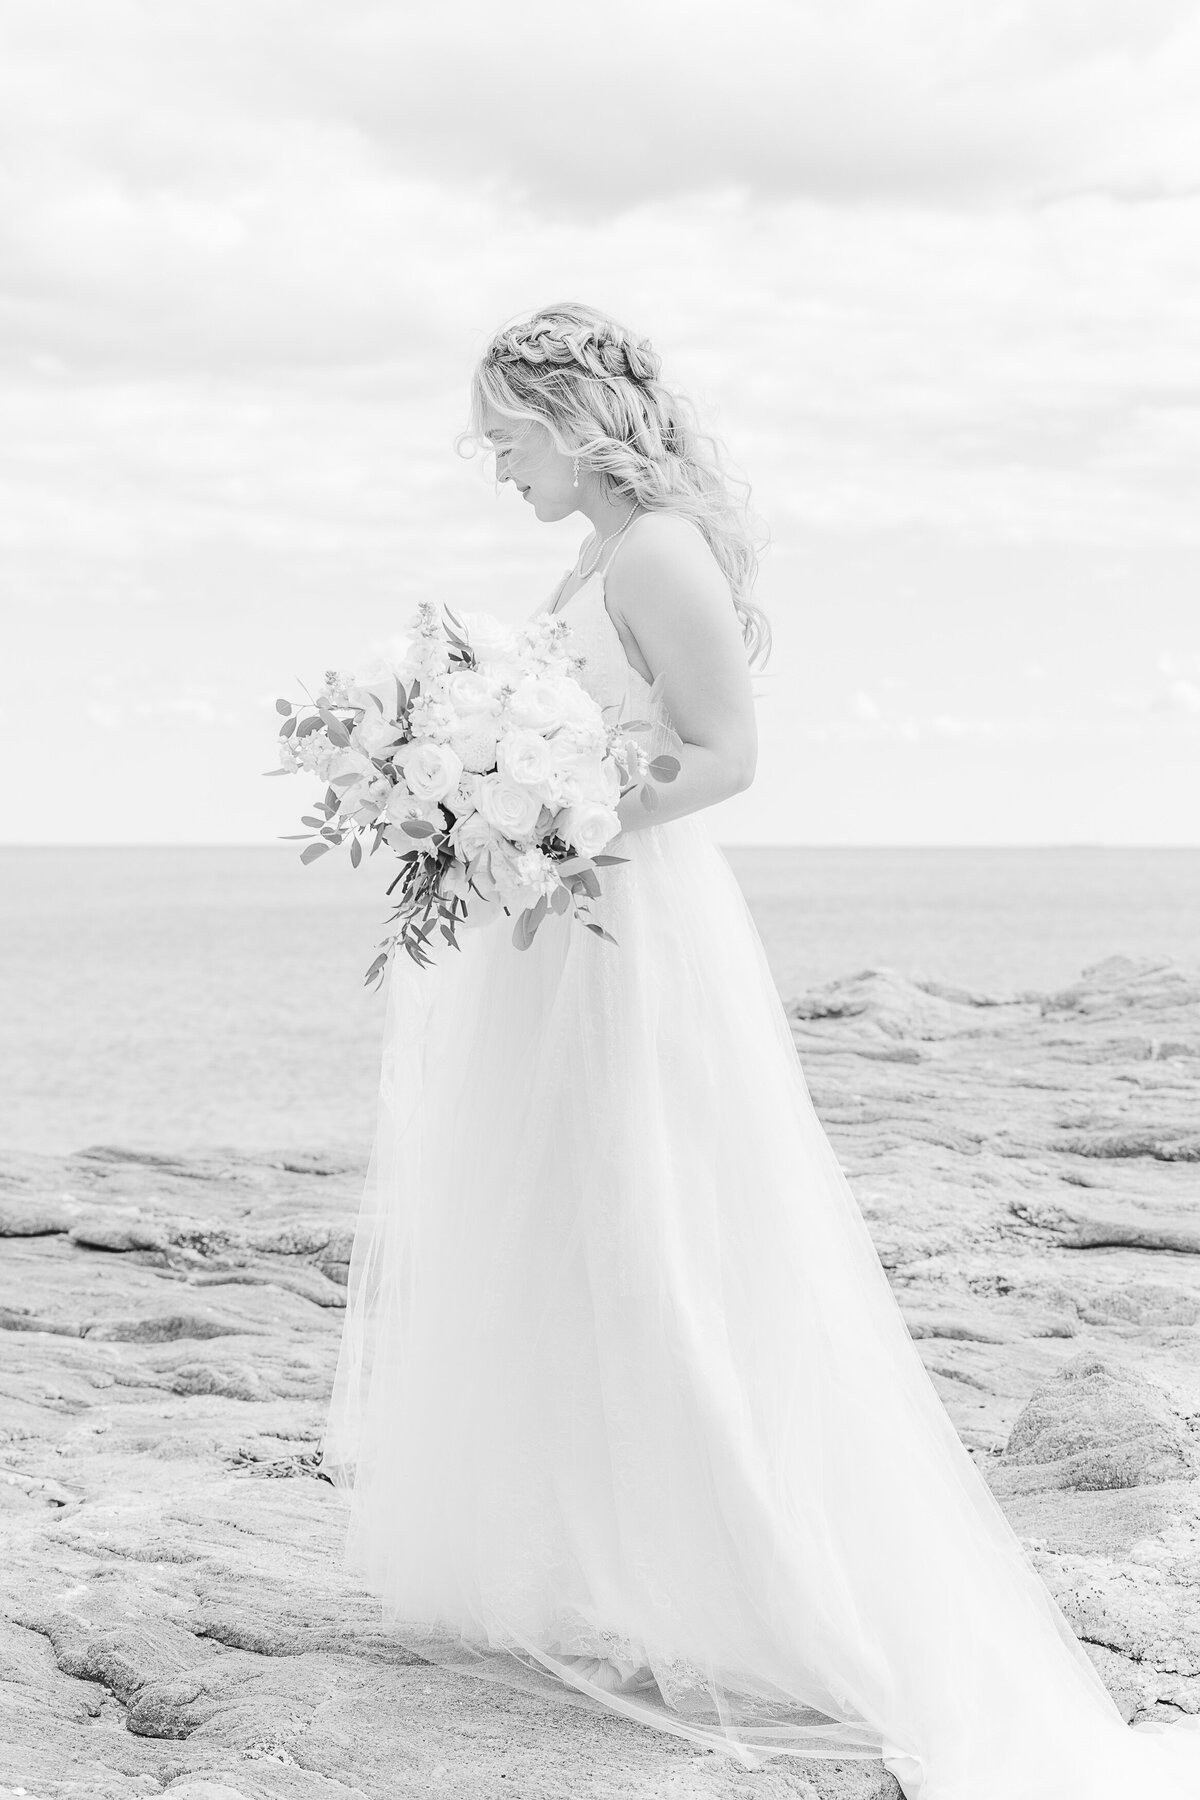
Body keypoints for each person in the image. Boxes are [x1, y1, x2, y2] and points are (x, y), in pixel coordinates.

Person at [319, 301, 1200, 1798]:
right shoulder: (596, 552)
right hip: (570, 931)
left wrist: (541, 810)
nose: (494, 464)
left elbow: (726, 754)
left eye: (505, 435)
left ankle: (768, 1580)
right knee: (569, 1242)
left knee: (658, 1242)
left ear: (572, 415)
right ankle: (612, 1563)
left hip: (637, 939)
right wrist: (483, 793)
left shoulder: (655, 548)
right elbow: (586, 726)